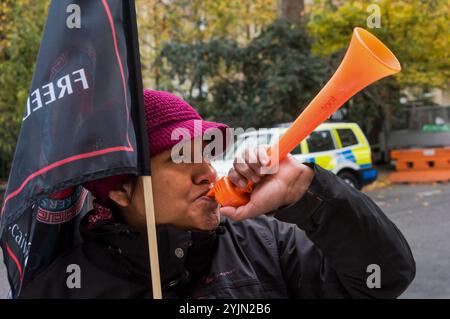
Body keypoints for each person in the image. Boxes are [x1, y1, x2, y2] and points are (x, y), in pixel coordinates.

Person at [20, 89, 415, 298]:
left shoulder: (265, 243)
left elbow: (383, 280)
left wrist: (305, 192)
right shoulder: (62, 287)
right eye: (181, 158)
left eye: (208, 155)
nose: (207, 172)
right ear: (120, 190)